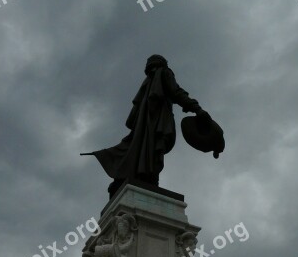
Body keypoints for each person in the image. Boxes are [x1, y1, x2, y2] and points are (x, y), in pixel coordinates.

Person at [83, 55, 209, 197]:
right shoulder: (164, 72)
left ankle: (131, 179)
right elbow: (176, 92)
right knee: (152, 151)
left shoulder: (148, 81)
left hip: (145, 125)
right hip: (157, 121)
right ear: (163, 63)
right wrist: (197, 109)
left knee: (141, 149)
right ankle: (147, 181)